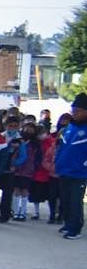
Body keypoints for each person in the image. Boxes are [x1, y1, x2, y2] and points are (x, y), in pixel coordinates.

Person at [57, 94, 87, 239]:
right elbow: (62, 147)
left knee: (75, 201)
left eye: (78, 110)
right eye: (73, 110)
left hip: (79, 173)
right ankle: (68, 223)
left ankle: (76, 228)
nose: (75, 113)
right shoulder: (70, 127)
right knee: (66, 200)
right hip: (64, 170)